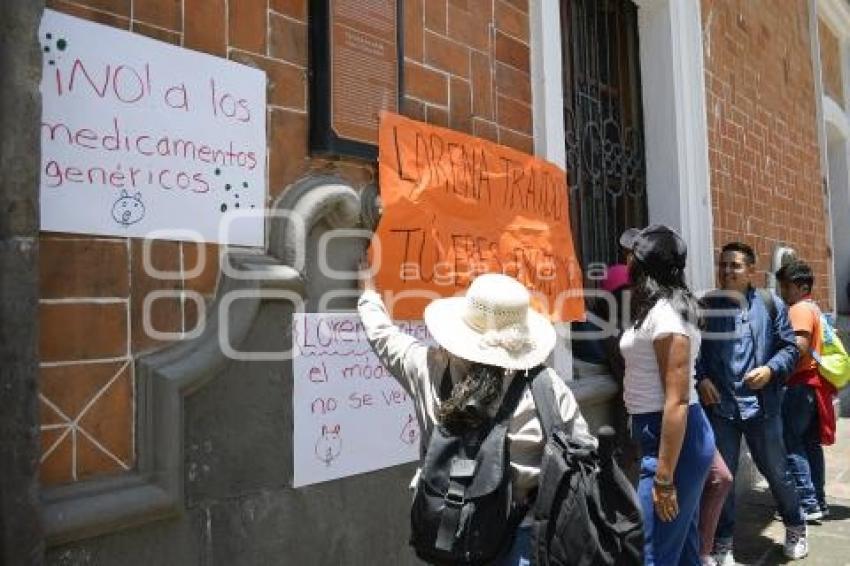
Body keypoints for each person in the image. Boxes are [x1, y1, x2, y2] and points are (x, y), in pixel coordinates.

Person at [357, 268, 596, 565]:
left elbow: (383, 337)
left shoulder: (429, 370)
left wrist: (368, 292)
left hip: (448, 533)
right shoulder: (546, 388)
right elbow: (584, 451)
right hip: (522, 538)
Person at [695, 242, 806, 563]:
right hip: (721, 409)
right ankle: (724, 541)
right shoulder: (706, 306)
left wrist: (770, 370)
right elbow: (693, 351)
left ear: (751, 271)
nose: (728, 271)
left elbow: (790, 348)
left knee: (777, 471)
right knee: (722, 479)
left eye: (736, 265)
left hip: (763, 407)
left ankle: (796, 525)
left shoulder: (771, 304)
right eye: (724, 264)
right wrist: (701, 378)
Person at [618, 225, 715, 565]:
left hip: (671, 439)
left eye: (632, 255)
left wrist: (663, 477)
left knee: (654, 552)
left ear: (643, 265)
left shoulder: (666, 317)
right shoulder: (660, 308)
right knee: (683, 547)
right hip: (667, 436)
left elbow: (676, 400)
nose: (625, 261)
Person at [776, 260, 837, 520]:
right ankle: (819, 501)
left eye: (786, 287)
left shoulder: (800, 308)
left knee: (792, 441)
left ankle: (807, 502)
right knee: (810, 444)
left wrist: (774, 368)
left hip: (800, 384)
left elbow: (798, 347)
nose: (782, 292)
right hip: (813, 386)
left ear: (802, 287)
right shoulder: (814, 308)